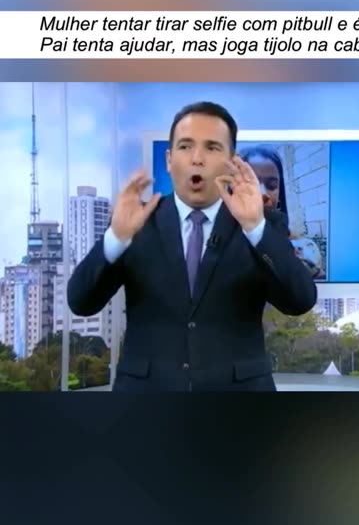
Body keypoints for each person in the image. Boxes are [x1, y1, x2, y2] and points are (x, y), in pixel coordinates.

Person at [67, 102, 318, 392]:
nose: (197, 159)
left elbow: (300, 300)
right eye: (185, 146)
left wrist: (255, 228)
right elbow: (81, 302)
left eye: (212, 148)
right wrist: (116, 238)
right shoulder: (137, 220)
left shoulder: (262, 223)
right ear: (169, 160)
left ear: (232, 162)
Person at [240, 145, 323, 278]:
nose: (263, 193)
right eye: (252, 183)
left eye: (272, 186)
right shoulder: (217, 248)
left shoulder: (304, 251)